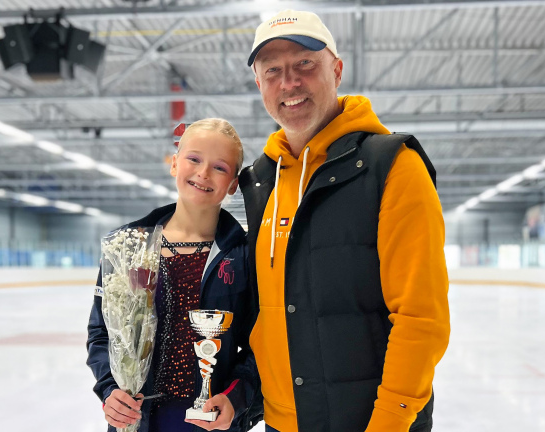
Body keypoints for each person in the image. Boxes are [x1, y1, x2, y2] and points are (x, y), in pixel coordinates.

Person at [238, 10, 451, 432]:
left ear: (336, 69)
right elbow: (266, 316)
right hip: (282, 423)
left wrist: (389, 423)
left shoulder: (392, 166)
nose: (290, 83)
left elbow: (420, 317)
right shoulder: (261, 181)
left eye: (305, 65)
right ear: (259, 84)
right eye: (273, 71)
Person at [87, 118, 261, 432]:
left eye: (220, 167)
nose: (203, 173)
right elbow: (102, 334)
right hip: (138, 422)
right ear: (174, 163)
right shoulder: (128, 247)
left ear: (233, 184)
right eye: (193, 159)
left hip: (208, 423)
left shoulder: (245, 255)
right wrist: (109, 390)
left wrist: (237, 399)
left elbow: (262, 345)